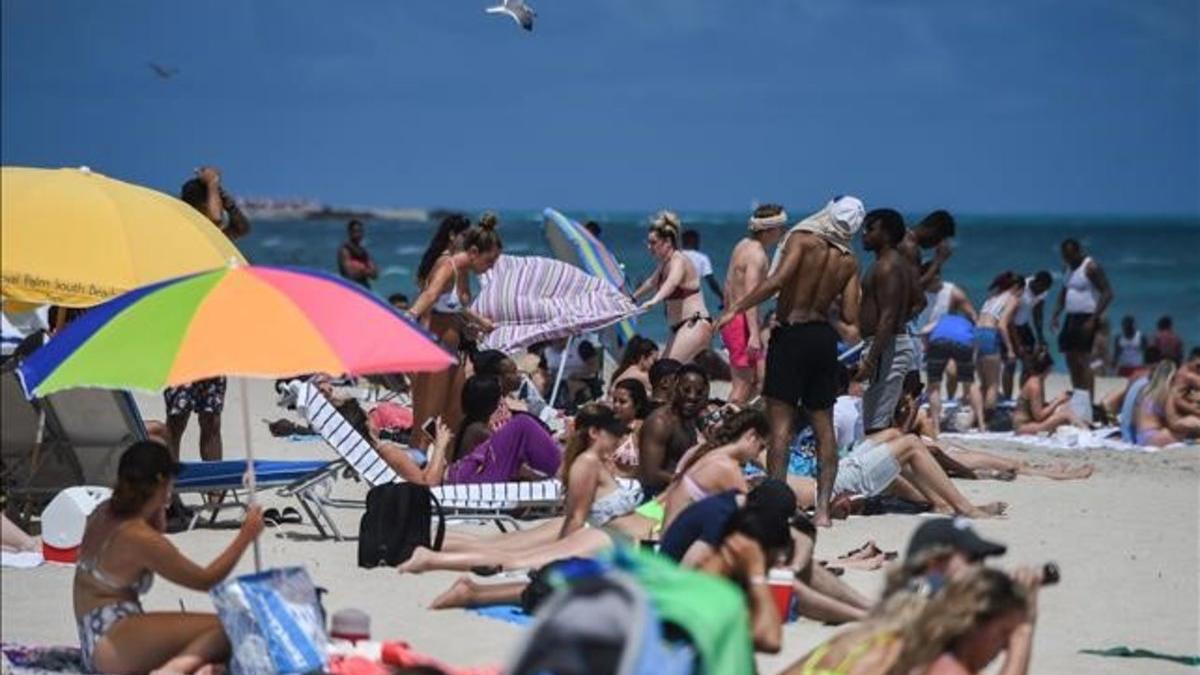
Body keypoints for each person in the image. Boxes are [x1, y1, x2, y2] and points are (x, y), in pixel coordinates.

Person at [716, 196, 863, 528]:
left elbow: (776, 282)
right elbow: (852, 317)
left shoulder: (802, 239)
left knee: (780, 427)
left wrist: (735, 309)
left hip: (791, 336)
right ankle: (823, 511)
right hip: (823, 339)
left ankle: (778, 505)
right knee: (824, 427)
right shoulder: (850, 260)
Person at [74, 441, 264, 673]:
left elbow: (154, 535)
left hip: (93, 637)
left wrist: (158, 508)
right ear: (163, 483)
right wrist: (246, 535)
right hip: (112, 640)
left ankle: (196, 668)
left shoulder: (104, 511)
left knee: (212, 645)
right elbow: (206, 580)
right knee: (233, 627)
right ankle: (175, 669)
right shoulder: (138, 537)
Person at [399, 404, 656, 574]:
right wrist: (561, 554)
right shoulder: (586, 464)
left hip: (607, 536)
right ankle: (430, 557)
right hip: (595, 537)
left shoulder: (592, 463)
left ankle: (425, 543)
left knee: (500, 545)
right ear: (595, 432)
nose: (618, 439)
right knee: (506, 554)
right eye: (613, 434)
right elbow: (576, 518)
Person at [161, 167, 249, 466]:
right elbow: (212, 220)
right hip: (181, 341)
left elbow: (241, 226)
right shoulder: (180, 234)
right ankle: (169, 489)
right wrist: (213, 183)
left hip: (212, 341)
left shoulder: (213, 240)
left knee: (212, 420)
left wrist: (224, 197)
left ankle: (214, 492)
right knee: (177, 419)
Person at [407, 215, 502, 447]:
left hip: (453, 351)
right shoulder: (447, 266)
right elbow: (430, 294)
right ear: (473, 252)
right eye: (489, 261)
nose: (491, 267)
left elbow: (456, 307)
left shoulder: (464, 271)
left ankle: (443, 471)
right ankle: (419, 471)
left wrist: (479, 322)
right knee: (428, 419)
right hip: (436, 350)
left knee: (452, 416)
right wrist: (409, 316)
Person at [720, 204, 788, 405]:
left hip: (734, 319)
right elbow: (751, 295)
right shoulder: (757, 255)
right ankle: (722, 430)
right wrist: (755, 335)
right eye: (780, 228)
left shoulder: (742, 245)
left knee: (759, 381)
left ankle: (738, 423)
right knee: (742, 387)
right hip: (742, 323)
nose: (782, 232)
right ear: (768, 230)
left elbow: (728, 285)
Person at [859, 210, 920, 430]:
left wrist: (870, 359)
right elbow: (918, 301)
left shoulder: (887, 266)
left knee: (875, 421)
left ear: (886, 233)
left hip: (886, 347)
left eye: (870, 229)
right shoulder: (895, 264)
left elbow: (888, 315)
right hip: (889, 344)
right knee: (878, 415)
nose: (864, 234)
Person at [443, 375, 562, 483]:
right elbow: (514, 462)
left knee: (522, 425)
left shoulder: (470, 425)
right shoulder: (477, 430)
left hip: (480, 479)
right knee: (522, 424)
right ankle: (562, 470)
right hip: (476, 482)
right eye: (501, 398)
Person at [631, 211, 713, 363]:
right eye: (648, 243)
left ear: (668, 242)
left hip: (694, 324)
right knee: (664, 374)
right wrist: (632, 298)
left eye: (653, 243)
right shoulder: (664, 264)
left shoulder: (678, 260)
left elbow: (672, 283)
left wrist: (654, 301)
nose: (649, 247)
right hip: (680, 328)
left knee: (666, 372)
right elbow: (651, 282)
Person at [920, 263, 984, 435]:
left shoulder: (952, 291)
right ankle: (935, 409)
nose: (935, 279)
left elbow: (972, 314)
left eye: (936, 275)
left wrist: (972, 334)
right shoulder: (918, 288)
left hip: (940, 337)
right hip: (922, 336)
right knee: (925, 381)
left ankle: (948, 402)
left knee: (951, 375)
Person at [1051, 239, 1114, 407]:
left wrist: (1094, 319)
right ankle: (1078, 398)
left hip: (1087, 317)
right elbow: (1064, 291)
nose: (1067, 259)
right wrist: (1056, 313)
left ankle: (1089, 402)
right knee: (1071, 359)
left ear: (1078, 251)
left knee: (1084, 361)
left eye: (1070, 255)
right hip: (1070, 317)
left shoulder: (1091, 267)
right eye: (1065, 256)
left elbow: (1107, 293)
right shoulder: (1067, 268)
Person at [638, 364, 709, 498]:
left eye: (699, 392)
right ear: (676, 387)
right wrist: (694, 483)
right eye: (686, 390)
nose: (692, 397)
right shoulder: (660, 423)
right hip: (655, 498)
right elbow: (650, 474)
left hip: (677, 492)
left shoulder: (689, 418)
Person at [975, 273, 1023, 416]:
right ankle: (989, 419)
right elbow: (1002, 325)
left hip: (977, 333)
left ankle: (978, 417)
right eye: (1021, 291)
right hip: (990, 334)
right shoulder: (1012, 299)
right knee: (993, 384)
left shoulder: (991, 298)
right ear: (1016, 287)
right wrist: (1010, 349)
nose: (1021, 295)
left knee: (983, 383)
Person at [1003, 271, 1054, 399]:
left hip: (1024, 327)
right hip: (1010, 327)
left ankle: (1023, 398)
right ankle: (1008, 398)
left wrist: (1040, 337)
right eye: (1040, 289)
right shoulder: (1021, 290)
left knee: (1029, 364)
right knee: (1011, 363)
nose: (1041, 293)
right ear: (1035, 282)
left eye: (1044, 290)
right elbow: (1010, 320)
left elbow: (1038, 314)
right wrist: (1018, 344)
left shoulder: (1043, 291)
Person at [1012, 348, 1087, 435]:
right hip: (1024, 426)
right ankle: (1086, 432)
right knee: (1066, 414)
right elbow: (1039, 416)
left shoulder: (1037, 381)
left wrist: (1058, 401)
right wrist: (1057, 401)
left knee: (1065, 407)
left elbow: (1038, 408)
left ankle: (1083, 428)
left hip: (1030, 422)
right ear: (1047, 368)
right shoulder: (1035, 385)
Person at [1133, 361, 1199, 446]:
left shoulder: (1147, 392)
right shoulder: (1167, 392)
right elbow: (1173, 422)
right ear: (1172, 377)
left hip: (1141, 437)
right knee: (1191, 422)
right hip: (1154, 437)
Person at [610, 378, 652, 478]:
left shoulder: (643, 429)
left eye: (622, 402)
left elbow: (647, 466)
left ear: (637, 405)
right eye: (614, 400)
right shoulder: (608, 427)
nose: (616, 405)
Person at [680, 228, 725, 310]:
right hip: (693, 299)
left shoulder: (675, 257)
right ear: (695, 242)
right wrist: (722, 296)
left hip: (674, 300)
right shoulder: (701, 258)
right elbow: (711, 281)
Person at [337, 220, 378, 289]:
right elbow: (350, 275)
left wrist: (361, 270)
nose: (358, 234)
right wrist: (366, 270)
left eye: (360, 231)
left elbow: (375, 274)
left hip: (364, 289)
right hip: (351, 290)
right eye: (355, 231)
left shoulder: (364, 252)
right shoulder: (345, 251)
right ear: (350, 233)